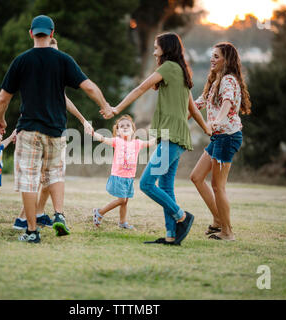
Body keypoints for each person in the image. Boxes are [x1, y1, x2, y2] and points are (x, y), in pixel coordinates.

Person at [0, 15, 113, 243]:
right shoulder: (63, 60)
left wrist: (0, 120)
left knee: (29, 179)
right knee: (55, 173)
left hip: (29, 129)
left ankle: (31, 231)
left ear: (31, 33)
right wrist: (105, 106)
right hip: (57, 130)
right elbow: (88, 86)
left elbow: (3, 97)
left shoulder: (21, 61)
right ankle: (59, 213)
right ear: (52, 33)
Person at [105, 32, 211, 245]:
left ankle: (182, 216)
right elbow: (194, 110)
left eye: (157, 47)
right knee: (166, 186)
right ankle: (171, 236)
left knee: (145, 183)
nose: (154, 50)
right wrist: (207, 130)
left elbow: (140, 88)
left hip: (171, 136)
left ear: (167, 48)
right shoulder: (181, 72)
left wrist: (116, 108)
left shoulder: (169, 67)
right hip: (177, 137)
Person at [12, 37, 94, 231]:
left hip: (50, 131)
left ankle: (34, 216)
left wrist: (83, 121)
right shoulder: (36, 70)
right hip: (36, 133)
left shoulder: (54, 72)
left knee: (48, 178)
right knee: (43, 177)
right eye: (52, 50)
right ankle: (25, 219)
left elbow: (65, 99)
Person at [189, 42, 251, 241]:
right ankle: (217, 220)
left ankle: (227, 232)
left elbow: (227, 102)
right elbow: (198, 104)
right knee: (197, 177)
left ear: (227, 59)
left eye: (216, 56)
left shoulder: (229, 81)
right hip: (218, 137)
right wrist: (180, 118)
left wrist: (216, 121)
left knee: (218, 186)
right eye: (212, 56)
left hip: (227, 137)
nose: (212, 60)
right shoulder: (216, 80)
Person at [91, 115, 156, 229]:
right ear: (118, 131)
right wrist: (93, 133)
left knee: (125, 202)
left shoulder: (137, 143)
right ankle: (99, 212)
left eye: (127, 125)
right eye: (121, 126)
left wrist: (162, 135)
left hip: (129, 177)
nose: (125, 128)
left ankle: (122, 222)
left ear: (133, 130)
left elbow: (150, 143)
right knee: (121, 200)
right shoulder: (117, 141)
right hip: (118, 176)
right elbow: (102, 138)